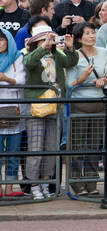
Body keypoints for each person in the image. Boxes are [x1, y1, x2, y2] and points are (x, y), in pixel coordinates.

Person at [22, 22, 78, 200]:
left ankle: (46, 183)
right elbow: (28, 63)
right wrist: (41, 48)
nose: (48, 42)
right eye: (43, 40)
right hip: (36, 107)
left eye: (50, 39)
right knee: (36, 148)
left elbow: (71, 61)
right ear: (35, 42)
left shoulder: (57, 55)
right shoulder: (30, 54)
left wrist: (70, 48)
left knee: (51, 148)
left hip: (55, 106)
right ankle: (34, 185)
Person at [65, 21, 107, 196]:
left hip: (99, 103)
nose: (91, 36)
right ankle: (76, 183)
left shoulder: (102, 52)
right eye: (87, 33)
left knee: (94, 147)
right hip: (80, 105)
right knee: (76, 147)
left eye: (93, 32)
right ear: (79, 38)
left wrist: (104, 80)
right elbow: (69, 84)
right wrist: (82, 77)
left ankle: (92, 182)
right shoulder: (74, 56)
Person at [0, 28, 24, 196]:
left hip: (14, 111)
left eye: (2, 39)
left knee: (13, 153)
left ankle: (9, 188)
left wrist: (6, 79)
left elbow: (21, 80)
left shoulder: (18, 57)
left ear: (9, 40)